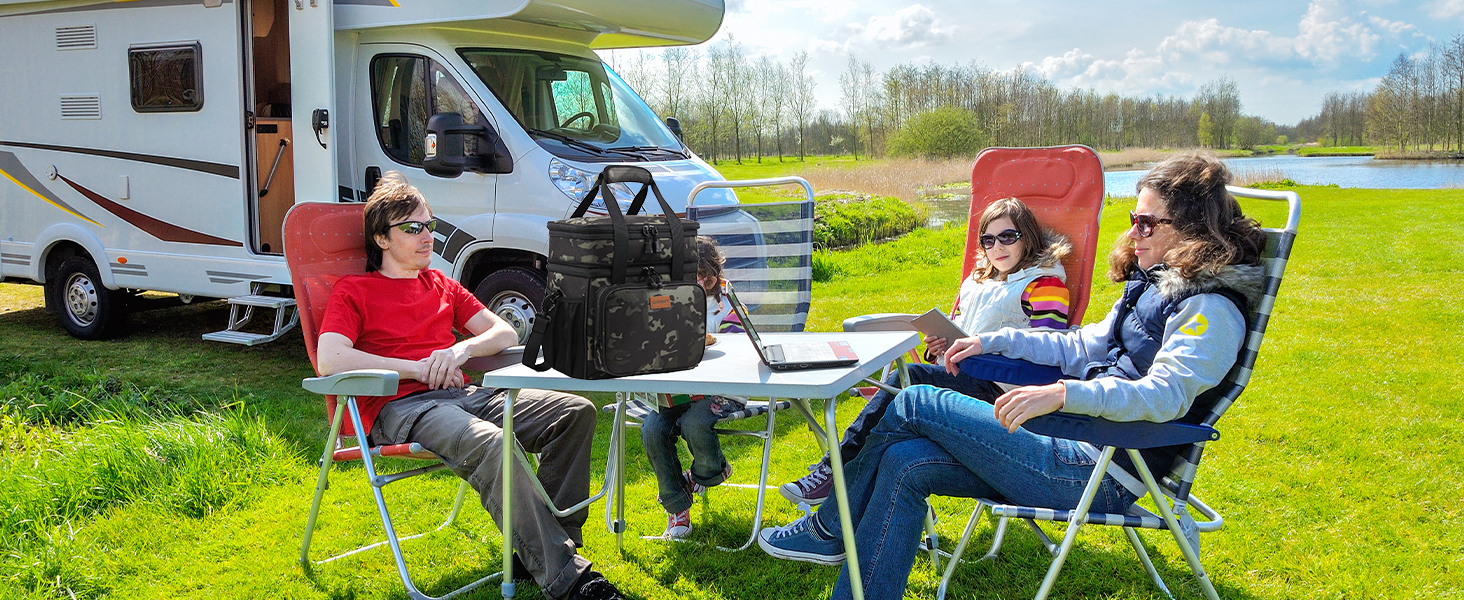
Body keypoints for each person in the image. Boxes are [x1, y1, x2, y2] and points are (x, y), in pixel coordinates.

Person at [757, 152, 1268, 600]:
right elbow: (1078, 343)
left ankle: (826, 529)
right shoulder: (1152, 287)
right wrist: (992, 340)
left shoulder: (1211, 309)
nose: (1133, 232)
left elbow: (1165, 396)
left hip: (1099, 471)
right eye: (1134, 218)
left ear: (1193, 229)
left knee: (914, 398)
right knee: (902, 459)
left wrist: (1064, 392)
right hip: (1066, 443)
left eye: (1147, 222)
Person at [315, 172, 625, 600]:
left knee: (574, 413)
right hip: (402, 408)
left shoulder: (441, 285)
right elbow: (330, 357)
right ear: (382, 240)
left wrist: (459, 353)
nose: (427, 236)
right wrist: (416, 369)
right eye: (412, 228)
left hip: (463, 394)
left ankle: (547, 547)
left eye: (430, 225)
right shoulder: (356, 290)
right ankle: (570, 580)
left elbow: (504, 333)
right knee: (493, 443)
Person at [780, 197, 1073, 506]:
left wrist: (978, 353)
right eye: (988, 240)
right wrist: (939, 348)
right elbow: (958, 333)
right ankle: (852, 488)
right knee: (900, 410)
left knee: (911, 375)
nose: (997, 247)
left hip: (1001, 391)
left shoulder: (1044, 284)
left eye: (1007, 237)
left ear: (1026, 237)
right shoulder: (977, 283)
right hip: (962, 376)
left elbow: (1046, 351)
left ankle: (835, 468)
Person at [639, 236, 743, 539]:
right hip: (679, 389)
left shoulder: (725, 300)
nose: (696, 281)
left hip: (723, 389)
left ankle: (708, 471)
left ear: (713, 275)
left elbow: (739, 346)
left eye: (702, 275)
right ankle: (677, 507)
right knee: (652, 430)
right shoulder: (668, 298)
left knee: (695, 423)